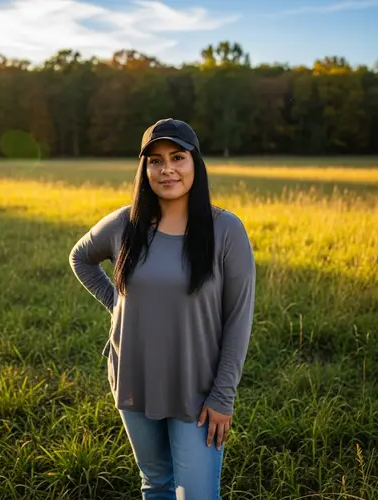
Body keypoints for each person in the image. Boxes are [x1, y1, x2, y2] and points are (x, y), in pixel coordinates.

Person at [69, 118, 256, 500]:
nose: (166, 169)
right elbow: (80, 258)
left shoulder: (226, 230)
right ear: (145, 169)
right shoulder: (125, 224)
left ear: (195, 164)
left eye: (177, 157)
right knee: (155, 486)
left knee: (197, 495)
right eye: (155, 160)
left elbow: (239, 318)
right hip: (134, 376)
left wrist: (223, 396)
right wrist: (118, 304)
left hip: (198, 388)